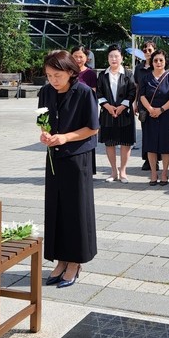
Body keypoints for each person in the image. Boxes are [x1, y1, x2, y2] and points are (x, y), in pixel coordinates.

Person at [37, 50, 99, 288]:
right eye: (49, 75)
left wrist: (65, 137)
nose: (53, 80)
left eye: (58, 75)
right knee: (56, 208)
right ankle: (60, 259)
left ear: (71, 72)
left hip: (77, 157)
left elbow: (92, 128)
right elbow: (42, 121)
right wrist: (45, 135)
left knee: (75, 210)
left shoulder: (84, 92)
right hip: (54, 156)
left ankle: (75, 261)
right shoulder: (45, 92)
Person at [96, 45, 136, 183]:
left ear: (122, 58)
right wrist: (107, 106)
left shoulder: (128, 74)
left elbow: (132, 92)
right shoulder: (102, 75)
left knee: (125, 142)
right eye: (111, 56)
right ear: (108, 58)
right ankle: (113, 171)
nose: (114, 59)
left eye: (116, 56)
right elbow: (98, 93)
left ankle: (123, 171)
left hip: (125, 113)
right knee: (110, 143)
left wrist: (122, 106)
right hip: (107, 113)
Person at [139, 49, 169, 186]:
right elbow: (142, 96)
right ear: (152, 62)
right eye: (155, 60)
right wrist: (150, 109)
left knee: (165, 144)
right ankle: (153, 173)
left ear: (165, 62)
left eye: (161, 60)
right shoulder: (146, 78)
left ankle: (164, 173)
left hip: (166, 114)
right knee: (150, 145)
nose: (158, 62)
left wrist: (161, 110)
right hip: (150, 115)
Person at [133, 40, 156, 171]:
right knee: (146, 132)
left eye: (150, 50)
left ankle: (156, 160)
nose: (147, 52)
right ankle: (147, 159)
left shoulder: (157, 65)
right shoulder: (138, 68)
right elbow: (136, 86)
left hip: (156, 104)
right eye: (145, 50)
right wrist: (134, 102)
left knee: (156, 133)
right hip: (142, 104)